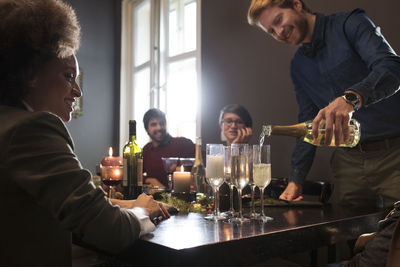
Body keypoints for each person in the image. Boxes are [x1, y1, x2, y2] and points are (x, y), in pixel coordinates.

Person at [0, 0, 169, 266]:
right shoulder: (30, 130)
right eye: (69, 76)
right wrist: (140, 211)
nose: (78, 92)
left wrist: (119, 206)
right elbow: (110, 230)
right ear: (29, 72)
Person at [247, 0, 400, 209]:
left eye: (278, 20)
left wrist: (350, 99)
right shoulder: (298, 66)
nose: (279, 33)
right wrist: (296, 179)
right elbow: (308, 122)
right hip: (348, 164)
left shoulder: (350, 23)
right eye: (271, 31)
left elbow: (391, 68)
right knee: (351, 236)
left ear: (296, 5)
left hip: (394, 155)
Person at [142, 108, 195, 188]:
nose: (159, 128)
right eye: (154, 124)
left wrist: (182, 168)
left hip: (181, 197)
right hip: (155, 199)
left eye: (162, 123)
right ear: (147, 129)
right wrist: (148, 179)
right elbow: (135, 175)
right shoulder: (146, 150)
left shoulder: (182, 143)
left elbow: (204, 161)